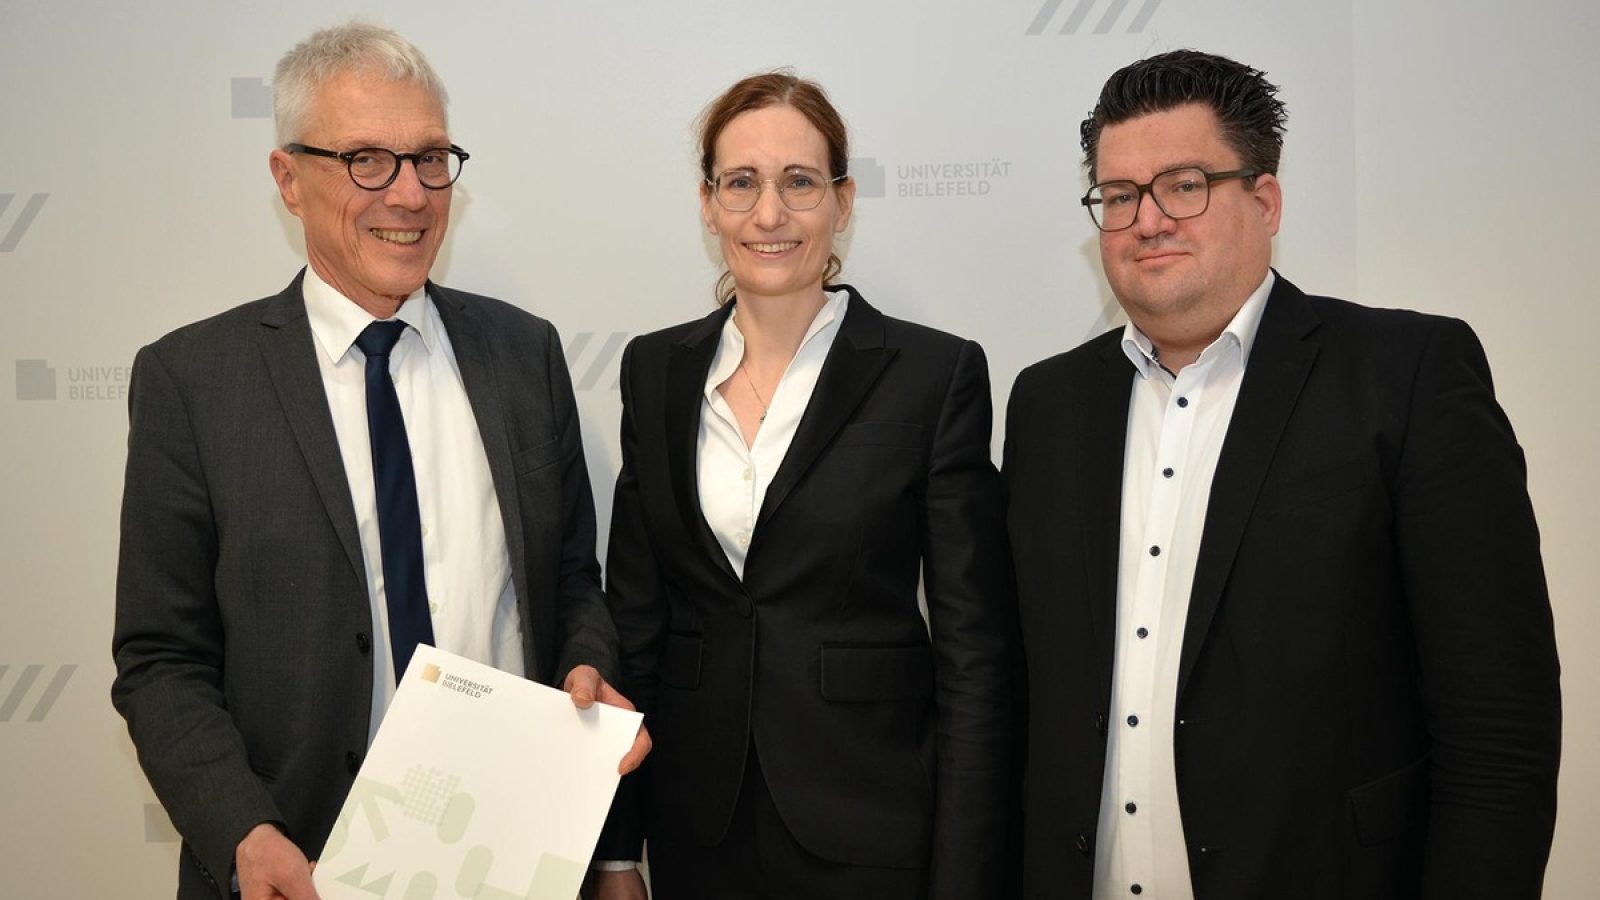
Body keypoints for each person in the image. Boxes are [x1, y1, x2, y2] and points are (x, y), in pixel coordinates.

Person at [1004, 49, 1561, 899]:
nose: (1147, 220)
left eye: (1184, 185)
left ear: (1264, 201)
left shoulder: (1406, 374)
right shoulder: (1048, 405)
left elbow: (1498, 723)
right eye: (1118, 196)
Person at [111, 23, 646, 900]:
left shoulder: (526, 355)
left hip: (514, 860)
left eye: (430, 159)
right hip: (300, 867)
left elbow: (570, 582)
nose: (409, 193)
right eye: (367, 160)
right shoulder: (193, 380)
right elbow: (161, 658)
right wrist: (243, 832)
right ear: (289, 178)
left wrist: (587, 669)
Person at [591, 72, 1013, 900]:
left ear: (843, 201)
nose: (769, 213)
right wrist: (615, 852)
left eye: (799, 182)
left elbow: (975, 658)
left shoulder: (933, 375)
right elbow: (635, 625)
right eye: (741, 183)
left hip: (871, 828)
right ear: (708, 204)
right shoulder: (654, 369)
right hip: (697, 831)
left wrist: (966, 875)